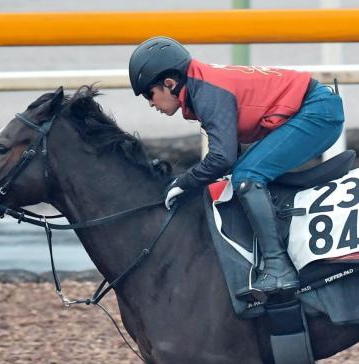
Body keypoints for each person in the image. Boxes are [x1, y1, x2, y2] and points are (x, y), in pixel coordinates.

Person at [128, 36, 345, 301]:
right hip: (313, 105)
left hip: (317, 112)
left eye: (149, 95)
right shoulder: (200, 85)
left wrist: (183, 182)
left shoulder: (206, 92)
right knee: (242, 175)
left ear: (169, 84)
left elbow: (222, 158)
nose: (150, 104)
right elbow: (228, 154)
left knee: (247, 178)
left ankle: (279, 269)